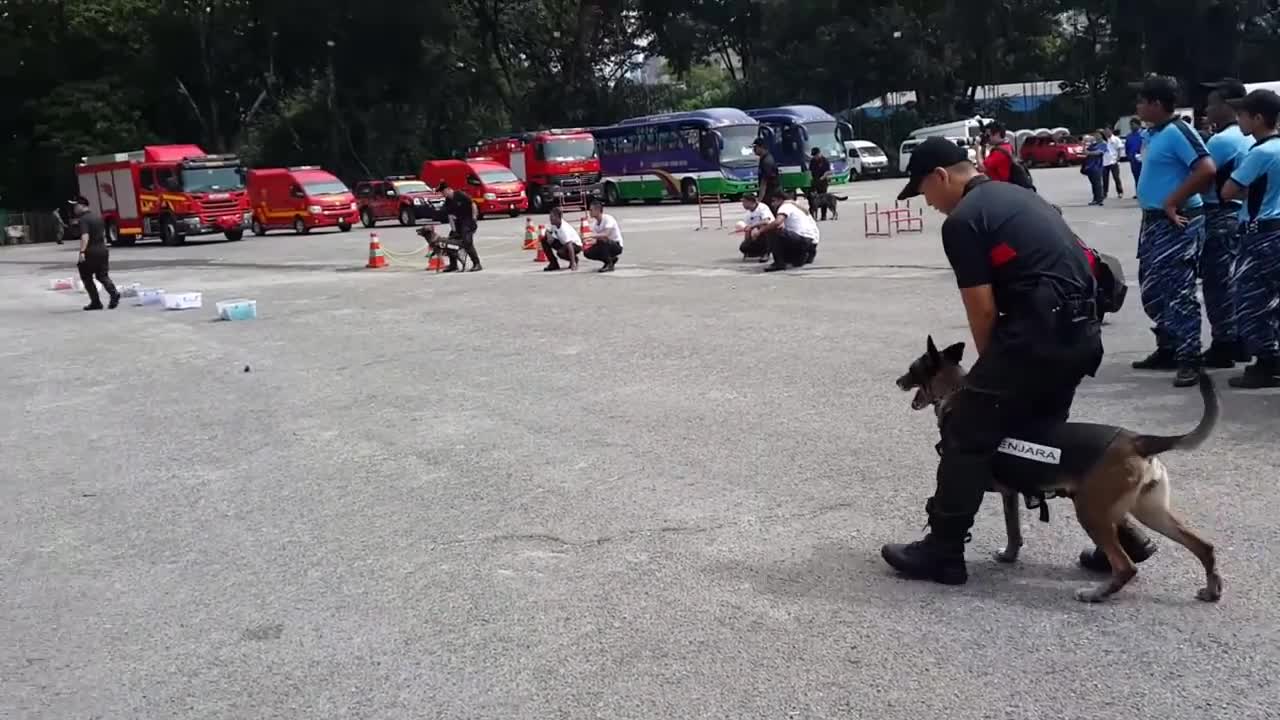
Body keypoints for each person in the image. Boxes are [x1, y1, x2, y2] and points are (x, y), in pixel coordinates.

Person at [878, 137, 1155, 586]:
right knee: (1039, 446)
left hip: (1036, 337)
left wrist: (989, 380)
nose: (927, 203)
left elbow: (982, 310)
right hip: (1080, 335)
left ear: (941, 177)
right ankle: (1123, 540)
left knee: (965, 427)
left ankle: (943, 551)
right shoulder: (1021, 197)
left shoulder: (965, 221)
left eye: (923, 191)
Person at [1130, 76, 1217, 387]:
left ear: (1156, 104)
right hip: (1153, 222)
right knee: (1152, 289)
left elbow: (1206, 169)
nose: (1137, 106)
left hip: (1176, 220)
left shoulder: (1180, 131)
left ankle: (1189, 358)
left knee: (1178, 290)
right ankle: (1168, 345)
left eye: (1141, 101)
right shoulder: (1152, 133)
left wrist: (1172, 201)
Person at [1221, 89, 1280, 388]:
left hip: (1261, 235)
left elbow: (1228, 191)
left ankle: (1268, 362)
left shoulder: (1260, 153)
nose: (1238, 119)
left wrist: (1250, 190)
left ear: (1258, 118)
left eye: (1242, 114)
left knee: (1252, 301)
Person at [1199, 78, 1254, 368]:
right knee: (1239, 280)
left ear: (1228, 107)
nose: (1208, 108)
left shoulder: (1221, 141)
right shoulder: (1249, 137)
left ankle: (1223, 343)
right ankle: (1242, 339)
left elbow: (1201, 176)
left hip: (1219, 215)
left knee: (1217, 282)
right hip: (1244, 215)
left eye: (1213, 103)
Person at [69, 196, 120, 311]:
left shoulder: (83, 219)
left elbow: (85, 236)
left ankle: (96, 302)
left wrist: (82, 252)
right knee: (102, 275)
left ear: (82, 205)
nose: (74, 208)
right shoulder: (98, 216)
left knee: (86, 276)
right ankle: (114, 293)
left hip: (90, 251)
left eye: (75, 206)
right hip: (102, 250)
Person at [756, 190, 819, 272]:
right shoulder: (795, 206)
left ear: (780, 199)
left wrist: (760, 231)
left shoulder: (784, 206)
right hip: (812, 241)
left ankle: (779, 263)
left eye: (774, 201)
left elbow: (777, 222)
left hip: (803, 239)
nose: (772, 204)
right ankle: (805, 255)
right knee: (793, 261)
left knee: (771, 230)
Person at [439, 184, 482, 272]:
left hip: (468, 220)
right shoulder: (448, 201)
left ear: (448, 189)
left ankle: (477, 263)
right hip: (459, 223)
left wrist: (474, 219)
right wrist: (454, 230)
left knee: (467, 241)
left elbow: (473, 204)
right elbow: (450, 216)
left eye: (443, 192)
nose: (442, 194)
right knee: (449, 241)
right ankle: (453, 265)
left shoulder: (460, 194)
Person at [584, 199, 624, 272]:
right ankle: (610, 260)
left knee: (603, 240)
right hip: (605, 245)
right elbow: (595, 240)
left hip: (616, 245)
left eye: (591, 210)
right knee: (587, 252)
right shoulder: (595, 224)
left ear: (598, 210)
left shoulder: (608, 219)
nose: (590, 212)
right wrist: (585, 240)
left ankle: (609, 264)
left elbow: (606, 234)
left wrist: (592, 235)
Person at [540, 206, 582, 272]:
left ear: (558, 218)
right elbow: (547, 230)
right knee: (544, 240)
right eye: (550, 217)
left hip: (575, 245)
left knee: (560, 253)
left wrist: (573, 263)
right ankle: (554, 263)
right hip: (563, 243)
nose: (550, 219)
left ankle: (574, 260)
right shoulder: (554, 224)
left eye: (552, 217)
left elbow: (570, 245)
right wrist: (548, 235)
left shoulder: (564, 229)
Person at [737, 192, 774, 262]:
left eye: (744, 202)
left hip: (769, 230)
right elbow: (747, 229)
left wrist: (753, 227)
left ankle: (766, 253)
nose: (743, 204)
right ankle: (756, 252)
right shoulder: (748, 214)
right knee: (744, 247)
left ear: (750, 201)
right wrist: (747, 241)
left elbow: (766, 221)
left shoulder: (762, 207)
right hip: (755, 234)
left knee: (763, 229)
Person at [806, 147, 833, 220]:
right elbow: (810, 171)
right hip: (814, 181)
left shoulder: (825, 160)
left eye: (816, 155)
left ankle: (823, 215)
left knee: (823, 199)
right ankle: (813, 214)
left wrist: (823, 177)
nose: (815, 157)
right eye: (814, 156)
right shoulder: (812, 161)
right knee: (812, 198)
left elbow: (829, 171)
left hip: (823, 182)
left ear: (819, 153)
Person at [1083, 134, 1106, 206]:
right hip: (1090, 167)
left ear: (1101, 136)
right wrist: (1084, 143)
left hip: (1097, 167)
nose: (1096, 137)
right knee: (1093, 184)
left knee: (1098, 184)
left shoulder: (1103, 144)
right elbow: (1085, 152)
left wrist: (1089, 153)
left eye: (1098, 135)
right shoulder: (1093, 145)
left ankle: (1100, 199)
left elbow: (1099, 153)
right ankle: (1095, 199)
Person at [1102, 128, 1124, 198]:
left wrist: (1118, 157)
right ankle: (1105, 192)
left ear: (1111, 131)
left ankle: (1120, 192)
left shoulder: (1116, 139)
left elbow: (1119, 148)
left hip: (1113, 161)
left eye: (1107, 131)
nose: (1106, 133)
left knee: (1116, 177)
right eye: (1105, 132)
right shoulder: (1103, 141)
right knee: (1105, 178)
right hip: (1105, 161)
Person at [1125, 118, 1145, 185]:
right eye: (1130, 125)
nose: (1131, 127)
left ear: (1138, 125)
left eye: (1132, 125)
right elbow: (1127, 148)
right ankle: (1138, 194)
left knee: (1144, 178)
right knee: (1136, 178)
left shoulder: (1144, 134)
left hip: (1143, 161)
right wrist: (1129, 156)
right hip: (1133, 161)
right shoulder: (1129, 136)